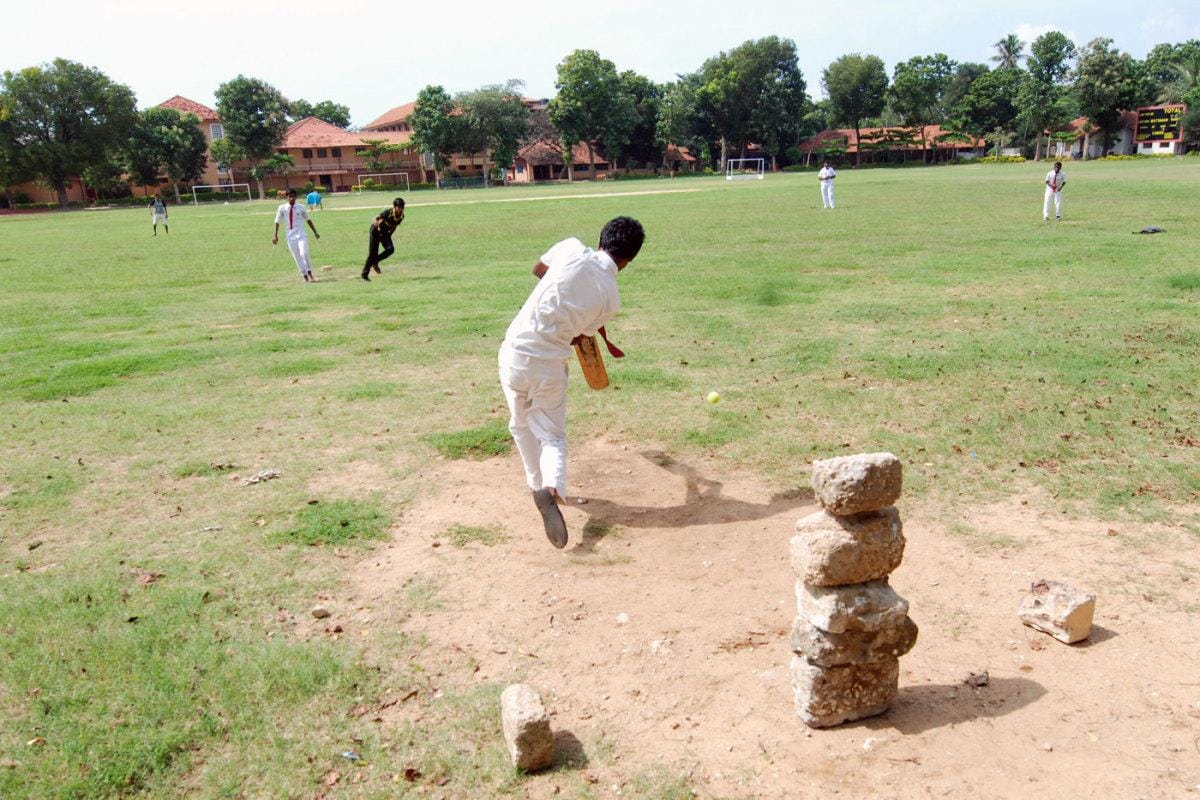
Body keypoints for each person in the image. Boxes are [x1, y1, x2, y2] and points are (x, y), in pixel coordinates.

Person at [499, 217, 645, 548]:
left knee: (520, 425)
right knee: (552, 437)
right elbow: (581, 335)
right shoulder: (611, 298)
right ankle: (550, 489)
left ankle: (535, 484)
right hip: (549, 365)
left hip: (513, 353)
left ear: (600, 239)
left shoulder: (571, 248)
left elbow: (538, 269)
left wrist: (557, 292)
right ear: (630, 259)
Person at [273, 189, 320, 282]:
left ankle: (310, 273)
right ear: (286, 197)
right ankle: (304, 275)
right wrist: (275, 235)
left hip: (301, 234)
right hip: (290, 236)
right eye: (289, 196)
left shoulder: (301, 208)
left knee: (304, 253)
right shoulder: (282, 208)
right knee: (297, 256)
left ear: (296, 197)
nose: (291, 198)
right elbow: (277, 221)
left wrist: (315, 232)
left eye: (293, 196)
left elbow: (308, 220)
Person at [362, 197, 405, 281]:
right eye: (399, 207)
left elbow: (394, 226)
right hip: (375, 231)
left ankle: (375, 262)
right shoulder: (388, 213)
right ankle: (364, 274)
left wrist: (389, 235)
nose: (401, 209)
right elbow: (376, 218)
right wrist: (375, 222)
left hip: (385, 233)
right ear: (394, 207)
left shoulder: (402, 216)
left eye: (402, 207)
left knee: (390, 249)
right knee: (372, 254)